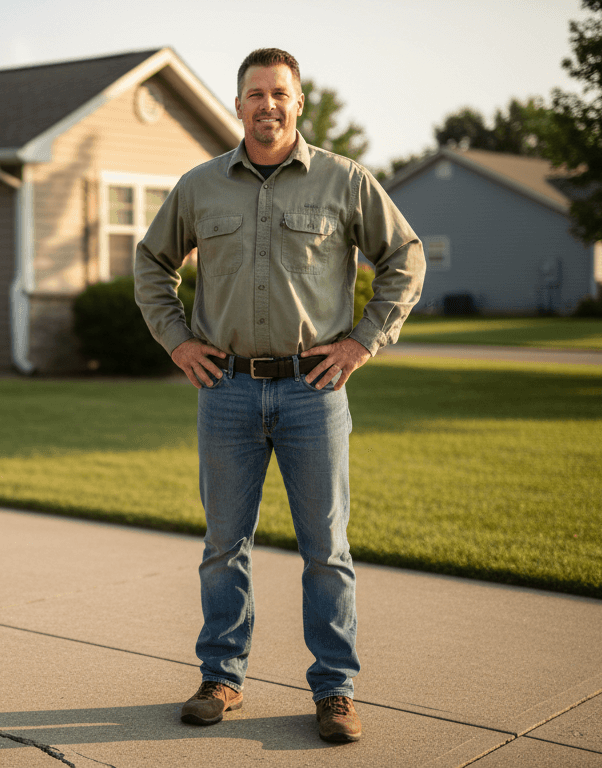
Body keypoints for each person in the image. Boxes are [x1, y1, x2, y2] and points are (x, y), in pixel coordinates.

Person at [133, 47, 425, 743]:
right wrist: (177, 340)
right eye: (256, 93)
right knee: (222, 546)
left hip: (313, 393)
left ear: (299, 104)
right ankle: (222, 679)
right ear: (238, 105)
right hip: (225, 390)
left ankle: (335, 692)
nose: (268, 104)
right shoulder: (201, 187)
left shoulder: (344, 182)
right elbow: (151, 262)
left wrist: (361, 341)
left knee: (326, 550)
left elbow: (404, 258)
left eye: (281, 93)